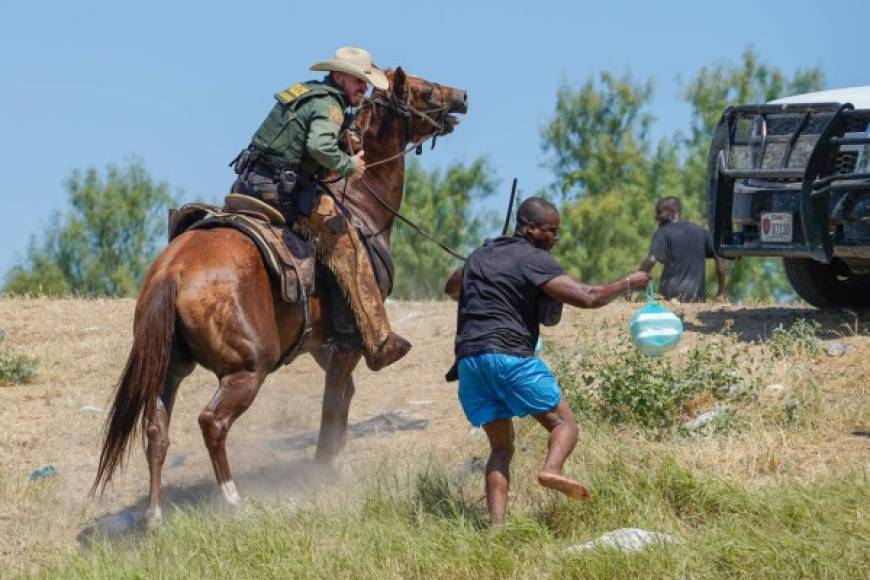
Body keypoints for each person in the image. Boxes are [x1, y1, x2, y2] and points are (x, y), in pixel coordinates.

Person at [444, 197, 650, 525]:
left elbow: (452, 287)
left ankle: (497, 529)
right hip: (510, 356)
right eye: (551, 231)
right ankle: (552, 470)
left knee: (500, 449)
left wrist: (482, 265)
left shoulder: (482, 254)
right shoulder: (533, 258)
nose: (555, 238)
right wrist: (628, 284)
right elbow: (588, 296)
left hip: (470, 363)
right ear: (530, 228)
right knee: (563, 424)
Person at [229, 47, 410, 371]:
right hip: (283, 194)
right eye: (358, 81)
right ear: (339, 76)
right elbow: (318, 145)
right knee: (348, 243)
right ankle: (379, 339)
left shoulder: (309, 94)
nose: (363, 89)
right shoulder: (330, 105)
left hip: (250, 185)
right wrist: (348, 164)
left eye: (366, 83)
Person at [639, 196, 726, 303]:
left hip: (669, 296)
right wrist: (721, 293)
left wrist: (634, 283)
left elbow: (651, 260)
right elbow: (719, 259)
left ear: (672, 212)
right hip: (696, 298)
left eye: (659, 213)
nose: (657, 218)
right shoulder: (701, 231)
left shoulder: (663, 232)